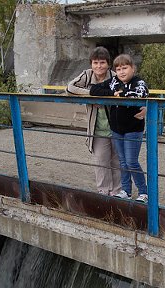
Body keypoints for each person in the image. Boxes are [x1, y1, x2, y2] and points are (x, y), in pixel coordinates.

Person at [90, 54, 148, 203]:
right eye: (118, 69)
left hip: (133, 129)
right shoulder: (114, 81)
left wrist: (118, 95)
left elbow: (139, 95)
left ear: (132, 69)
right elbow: (94, 89)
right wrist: (111, 93)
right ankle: (126, 191)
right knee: (122, 161)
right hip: (116, 129)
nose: (122, 72)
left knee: (131, 162)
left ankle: (143, 192)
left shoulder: (139, 82)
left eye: (125, 68)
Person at [66, 46, 121, 196]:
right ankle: (104, 191)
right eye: (95, 63)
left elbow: (125, 93)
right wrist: (91, 94)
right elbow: (70, 88)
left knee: (117, 162)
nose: (99, 66)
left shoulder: (115, 76)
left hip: (116, 128)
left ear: (108, 64)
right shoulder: (87, 75)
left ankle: (117, 192)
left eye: (102, 63)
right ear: (91, 64)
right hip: (97, 129)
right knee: (101, 161)